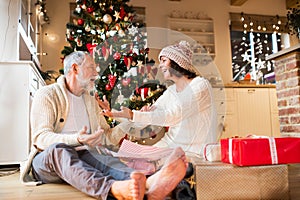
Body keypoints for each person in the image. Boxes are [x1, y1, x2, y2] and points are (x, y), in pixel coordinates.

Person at [20, 51, 188, 200]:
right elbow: (40, 138)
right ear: (75, 69)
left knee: (106, 160)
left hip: (84, 155)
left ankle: (148, 184)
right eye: (91, 67)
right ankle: (112, 189)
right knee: (60, 150)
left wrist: (131, 123)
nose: (96, 72)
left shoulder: (90, 101)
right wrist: (77, 139)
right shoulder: (48, 94)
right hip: (48, 161)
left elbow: (107, 136)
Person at [101, 41, 217, 157]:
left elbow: (173, 116)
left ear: (177, 63)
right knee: (128, 156)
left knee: (137, 161)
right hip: (171, 145)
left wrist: (132, 115)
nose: (160, 65)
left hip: (194, 152)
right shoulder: (171, 91)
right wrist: (115, 113)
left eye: (164, 60)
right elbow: (147, 120)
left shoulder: (200, 85)